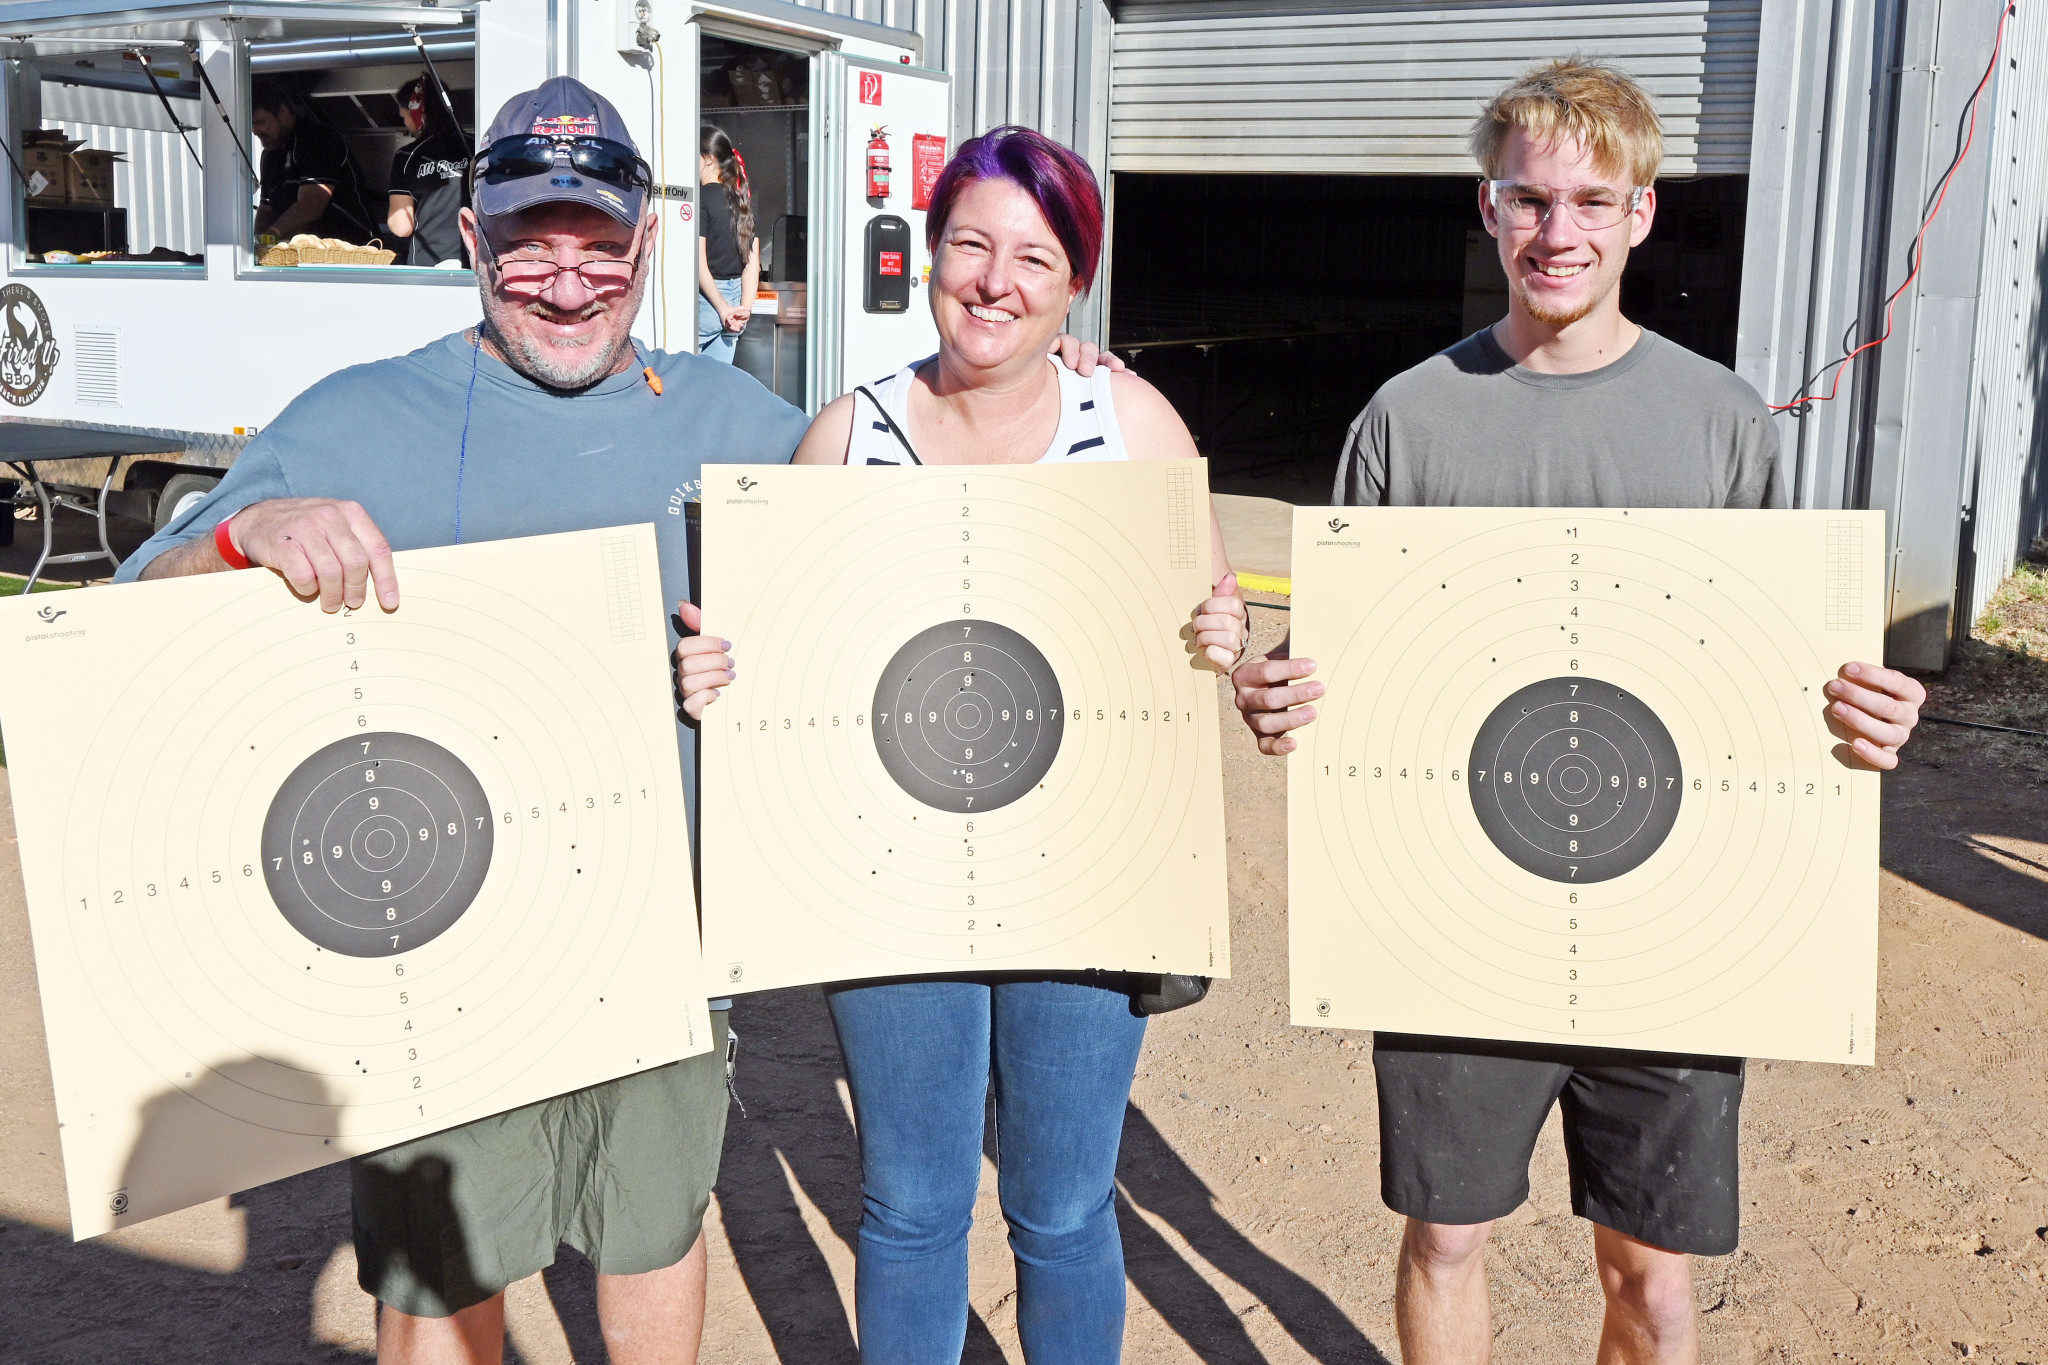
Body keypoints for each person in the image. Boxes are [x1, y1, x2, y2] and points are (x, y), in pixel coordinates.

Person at [1230, 60, 1925, 1365]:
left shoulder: (1721, 422)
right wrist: (1284, 694)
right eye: (1530, 201)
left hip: (1671, 911)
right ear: (1487, 210)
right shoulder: (1407, 421)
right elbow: (1343, 672)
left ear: (1641, 217)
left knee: (1654, 1281)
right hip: (1454, 907)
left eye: (1591, 203)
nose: (1559, 234)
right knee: (1448, 1239)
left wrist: (1864, 715)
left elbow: (1781, 678)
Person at [117, 77, 805, 1365]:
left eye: (595, 245)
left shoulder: (744, 428)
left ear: (645, 249)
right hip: (434, 948)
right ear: (472, 242)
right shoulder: (356, 418)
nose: (563, 282)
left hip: (660, 944)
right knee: (444, 1271)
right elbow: (117, 619)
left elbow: (919, 536)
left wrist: (1064, 384)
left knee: (654, 1231)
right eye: (530, 244)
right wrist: (241, 535)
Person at [677, 125, 1248, 1364]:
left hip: (1086, 870)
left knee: (1059, 1210)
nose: (994, 281)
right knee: (913, 1208)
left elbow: (1214, 613)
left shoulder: (1132, 418)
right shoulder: (848, 433)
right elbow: (779, 658)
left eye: (1033, 259)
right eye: (971, 245)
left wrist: (1222, 619)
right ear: (929, 254)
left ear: (1072, 285)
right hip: (890, 874)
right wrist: (720, 666)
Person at [251, 78, 377, 245]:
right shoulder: (270, 154)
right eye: (251, 124)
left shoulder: (318, 138)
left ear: (283, 113)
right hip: (301, 257)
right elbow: (266, 207)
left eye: (260, 122)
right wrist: (256, 246)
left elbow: (312, 203)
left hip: (351, 252)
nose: (255, 131)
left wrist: (269, 237)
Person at [387, 73, 470, 267]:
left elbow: (401, 227)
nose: (405, 123)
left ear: (416, 111)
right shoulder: (476, 147)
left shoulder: (407, 156)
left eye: (404, 116)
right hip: (474, 262)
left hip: (426, 267)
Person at [695, 126, 759, 363]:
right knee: (717, 382)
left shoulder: (701, 199)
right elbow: (752, 265)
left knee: (685, 379)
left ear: (709, 159)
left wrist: (722, 309)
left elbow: (699, 263)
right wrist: (744, 310)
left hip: (709, 301)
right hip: (736, 302)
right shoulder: (743, 201)